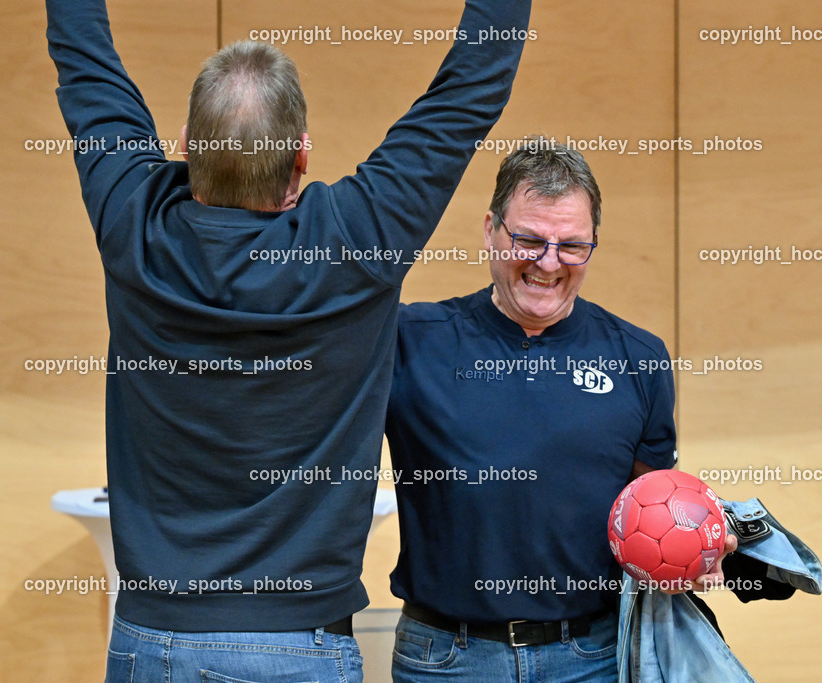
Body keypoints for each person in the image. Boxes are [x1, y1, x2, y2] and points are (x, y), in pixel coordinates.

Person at [44, 0, 530, 678]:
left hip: (151, 640)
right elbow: (469, 89)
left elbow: (85, 62)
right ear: (302, 153)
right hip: (297, 647)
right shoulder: (358, 239)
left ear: (184, 145)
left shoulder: (134, 224)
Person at [384, 138, 737, 682]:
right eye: (529, 239)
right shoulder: (411, 341)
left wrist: (700, 546)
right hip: (446, 660)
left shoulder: (638, 357)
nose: (549, 263)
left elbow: (654, 506)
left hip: (592, 659)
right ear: (489, 231)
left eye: (572, 246)